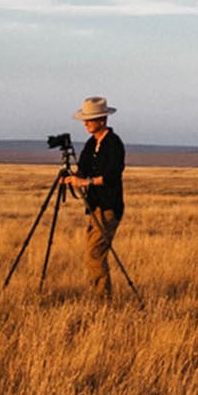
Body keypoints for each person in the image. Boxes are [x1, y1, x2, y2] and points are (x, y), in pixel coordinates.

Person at [63, 95, 125, 299]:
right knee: (92, 254)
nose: (85, 124)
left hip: (109, 206)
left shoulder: (114, 144)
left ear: (102, 120)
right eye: (85, 120)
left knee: (95, 254)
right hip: (94, 205)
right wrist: (73, 178)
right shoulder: (91, 144)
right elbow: (83, 169)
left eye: (89, 120)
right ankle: (98, 294)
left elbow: (112, 176)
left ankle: (103, 301)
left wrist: (86, 182)